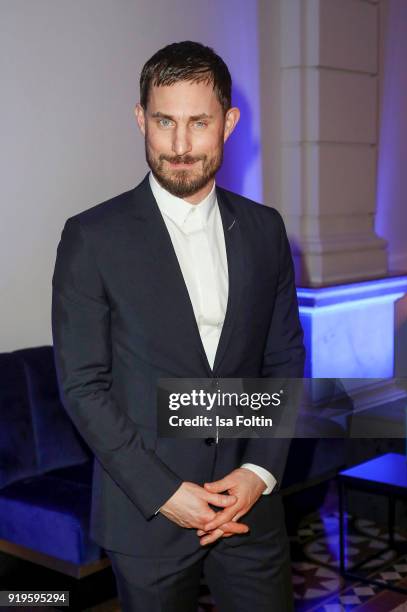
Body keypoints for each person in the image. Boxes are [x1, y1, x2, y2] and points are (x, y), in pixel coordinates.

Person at [52, 40, 305, 612]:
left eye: (199, 122)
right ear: (141, 118)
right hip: (147, 515)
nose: (181, 146)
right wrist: (165, 493)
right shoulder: (92, 238)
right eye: (165, 121)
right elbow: (83, 386)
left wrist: (259, 471)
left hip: (250, 507)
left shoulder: (266, 231)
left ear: (229, 123)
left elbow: (284, 360)